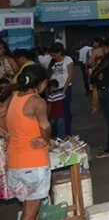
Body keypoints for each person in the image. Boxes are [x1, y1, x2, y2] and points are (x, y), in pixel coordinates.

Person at [0, 65, 51, 220]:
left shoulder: (13, 98)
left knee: (30, 209)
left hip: (14, 164)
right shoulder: (37, 101)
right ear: (42, 83)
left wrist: (4, 132)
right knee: (29, 213)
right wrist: (45, 140)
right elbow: (45, 125)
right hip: (33, 164)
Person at [46, 43, 74, 137]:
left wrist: (64, 89)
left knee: (65, 110)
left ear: (60, 52)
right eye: (52, 55)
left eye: (55, 55)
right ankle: (54, 133)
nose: (54, 57)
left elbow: (70, 75)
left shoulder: (67, 59)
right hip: (53, 88)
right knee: (53, 111)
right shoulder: (52, 62)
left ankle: (67, 132)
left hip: (64, 87)